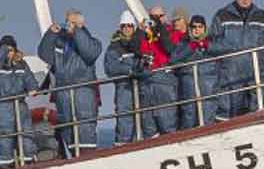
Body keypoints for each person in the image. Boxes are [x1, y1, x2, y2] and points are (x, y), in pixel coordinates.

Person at [39, 9, 102, 155]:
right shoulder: (60, 44)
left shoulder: (93, 42)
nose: (69, 25)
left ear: (81, 23)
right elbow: (44, 54)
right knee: (68, 132)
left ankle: (89, 159)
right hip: (63, 93)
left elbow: (89, 53)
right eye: (68, 22)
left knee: (85, 130)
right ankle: (72, 158)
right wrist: (51, 34)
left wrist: (77, 31)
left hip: (83, 91)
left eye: (73, 22)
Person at [0, 35, 38, 168]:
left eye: (11, 50)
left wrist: (32, 88)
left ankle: (29, 166)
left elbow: (32, 83)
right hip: (1, 109)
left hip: (20, 107)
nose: (9, 53)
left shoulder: (21, 65)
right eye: (6, 50)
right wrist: (2, 51)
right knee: (3, 144)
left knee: (27, 140)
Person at [102, 12, 150, 143]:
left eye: (129, 26)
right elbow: (110, 67)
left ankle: (147, 144)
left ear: (134, 27)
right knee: (125, 120)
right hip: (124, 88)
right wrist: (129, 70)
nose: (127, 29)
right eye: (124, 26)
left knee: (146, 117)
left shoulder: (142, 42)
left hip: (143, 86)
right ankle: (123, 146)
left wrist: (142, 69)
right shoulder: (115, 47)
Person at [134, 17, 179, 139]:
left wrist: (160, 27)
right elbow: (135, 48)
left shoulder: (171, 33)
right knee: (149, 130)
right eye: (152, 17)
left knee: (167, 125)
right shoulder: (143, 37)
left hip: (163, 83)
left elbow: (169, 48)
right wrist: (140, 30)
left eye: (159, 16)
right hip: (146, 85)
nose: (154, 20)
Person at [175, 15, 220, 129]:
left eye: (200, 27)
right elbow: (174, 59)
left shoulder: (212, 41)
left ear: (205, 28)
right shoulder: (183, 44)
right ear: (190, 28)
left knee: (208, 111)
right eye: (194, 27)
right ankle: (186, 140)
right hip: (189, 85)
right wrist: (191, 47)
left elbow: (225, 48)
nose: (197, 29)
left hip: (208, 84)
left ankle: (209, 134)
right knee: (188, 114)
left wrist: (206, 45)